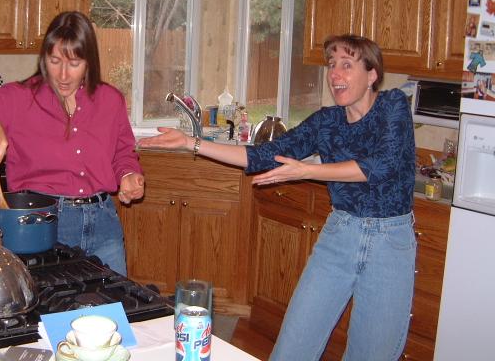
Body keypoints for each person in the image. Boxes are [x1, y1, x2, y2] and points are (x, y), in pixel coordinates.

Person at [138, 34, 416, 361]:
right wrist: (191, 143)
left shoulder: (393, 104)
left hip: (389, 242)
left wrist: (307, 171)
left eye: (346, 65)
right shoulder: (326, 122)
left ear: (372, 75)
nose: (335, 74)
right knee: (293, 346)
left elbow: (381, 165)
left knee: (372, 354)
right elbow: (261, 156)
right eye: (331, 65)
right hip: (340, 234)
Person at [0, 11, 144, 275]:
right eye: (55, 61)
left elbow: (122, 151)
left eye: (74, 63)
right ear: (44, 57)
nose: (63, 75)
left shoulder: (110, 100)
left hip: (104, 226)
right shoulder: (18, 98)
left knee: (116, 301)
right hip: (42, 227)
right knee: (46, 302)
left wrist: (127, 173)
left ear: (89, 62)